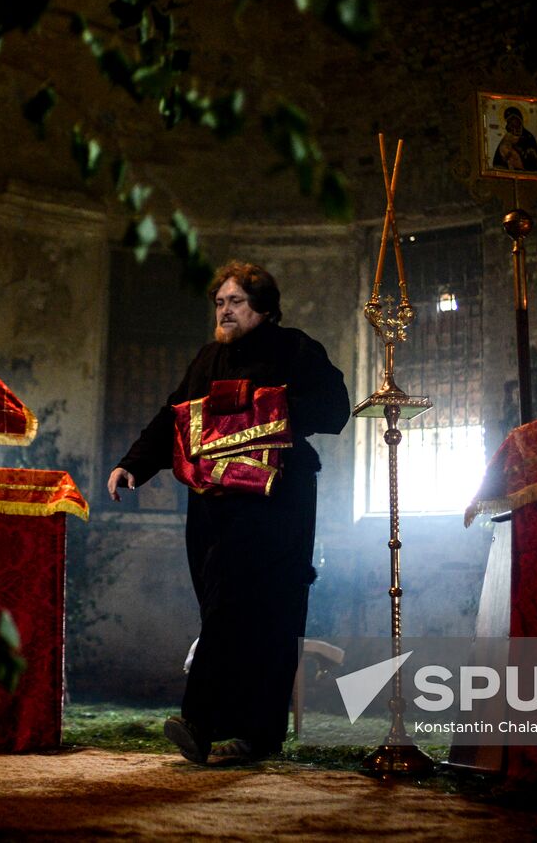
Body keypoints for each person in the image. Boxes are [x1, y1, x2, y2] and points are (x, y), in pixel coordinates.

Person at [106, 261, 350, 763]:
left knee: (255, 608)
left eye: (235, 301)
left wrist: (265, 411)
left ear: (263, 307)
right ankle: (247, 735)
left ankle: (202, 721)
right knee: (222, 601)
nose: (225, 310)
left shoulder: (295, 348)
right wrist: (135, 464)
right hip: (214, 502)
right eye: (220, 302)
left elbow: (334, 408)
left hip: (277, 502)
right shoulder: (206, 359)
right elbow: (172, 416)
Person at [492, 105, 537, 172]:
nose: (513, 126)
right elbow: (498, 160)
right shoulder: (507, 137)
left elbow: (533, 160)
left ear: (520, 121)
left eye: (515, 122)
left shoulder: (528, 137)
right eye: (510, 123)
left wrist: (523, 153)